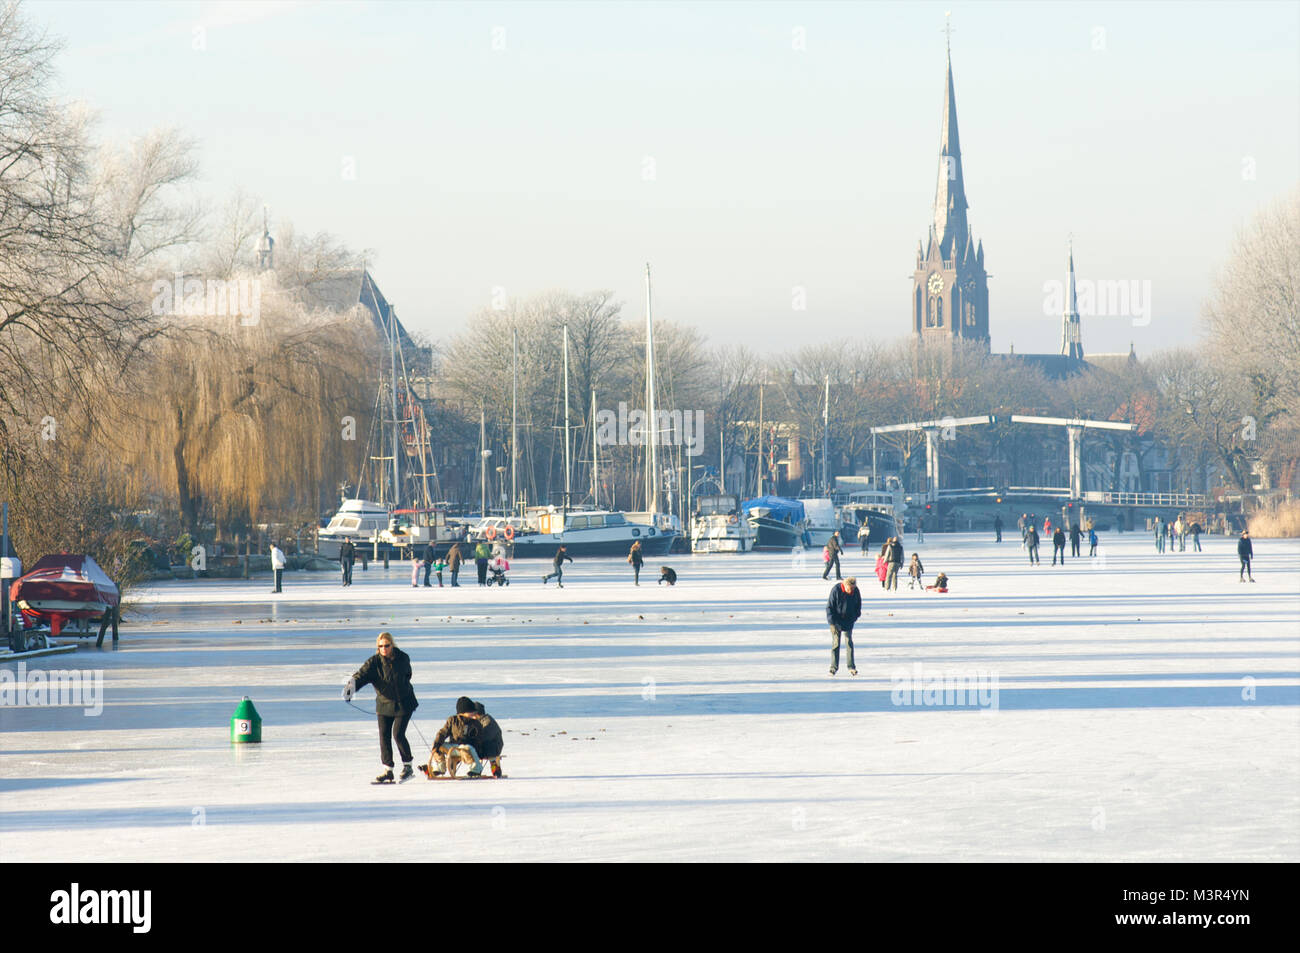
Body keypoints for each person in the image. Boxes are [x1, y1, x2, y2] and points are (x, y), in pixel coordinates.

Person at [344, 631, 419, 783]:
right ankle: (388, 770)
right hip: (384, 704)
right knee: (384, 736)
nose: (384, 648)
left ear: (392, 645)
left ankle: (408, 766)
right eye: (380, 646)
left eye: (386, 645)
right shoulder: (374, 663)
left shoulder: (403, 658)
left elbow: (407, 675)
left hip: (404, 702)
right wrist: (350, 689)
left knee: (398, 734)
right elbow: (361, 676)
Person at [421, 696, 484, 778]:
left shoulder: (475, 723)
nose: (473, 713)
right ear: (463, 712)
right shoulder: (452, 720)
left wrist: (473, 741)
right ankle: (440, 768)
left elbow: (479, 738)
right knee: (438, 747)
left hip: (467, 749)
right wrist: (437, 743)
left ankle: (476, 769)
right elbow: (443, 732)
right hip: (453, 747)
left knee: (467, 747)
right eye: (470, 711)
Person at [825, 576, 861, 676]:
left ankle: (851, 667)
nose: (851, 591)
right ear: (845, 586)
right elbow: (829, 607)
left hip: (849, 620)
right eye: (850, 589)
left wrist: (855, 616)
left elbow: (858, 605)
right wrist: (832, 622)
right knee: (836, 643)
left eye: (853, 589)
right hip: (836, 621)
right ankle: (833, 668)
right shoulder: (836, 590)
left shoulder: (855, 591)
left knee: (849, 642)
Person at [473, 700, 505, 777]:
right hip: (486, 744)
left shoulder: (488, 721)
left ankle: (494, 765)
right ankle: (475, 768)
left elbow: (484, 736)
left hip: (494, 746)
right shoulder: (478, 720)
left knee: (482, 748)